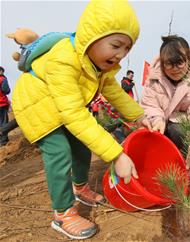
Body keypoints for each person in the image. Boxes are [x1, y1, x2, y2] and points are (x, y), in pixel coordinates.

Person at [11, 0, 150, 240]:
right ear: (91, 37)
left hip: (62, 106)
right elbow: (74, 114)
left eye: (127, 49)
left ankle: (79, 187)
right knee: (60, 151)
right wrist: (116, 154)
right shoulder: (64, 57)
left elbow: (115, 93)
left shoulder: (100, 68)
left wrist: (141, 117)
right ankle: (63, 213)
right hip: (37, 106)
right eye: (116, 45)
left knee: (82, 145)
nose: (121, 54)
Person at [140, 35, 190, 160]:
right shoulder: (154, 80)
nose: (174, 69)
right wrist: (157, 119)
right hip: (160, 126)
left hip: (187, 131)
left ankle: (182, 165)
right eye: (169, 64)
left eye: (179, 63)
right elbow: (149, 105)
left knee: (177, 130)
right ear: (163, 64)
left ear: (189, 60)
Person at [0, 66, 11, 146]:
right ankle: (3, 141)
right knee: (4, 122)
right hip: (2, 103)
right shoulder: (2, 79)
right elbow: (6, 90)